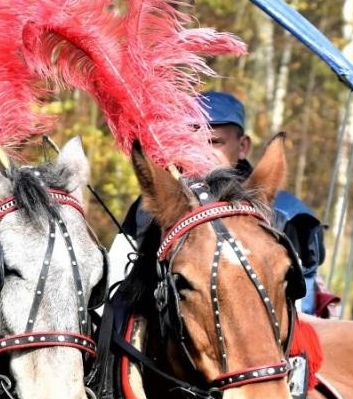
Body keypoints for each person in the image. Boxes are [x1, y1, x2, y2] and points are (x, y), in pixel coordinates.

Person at [112, 91, 332, 315]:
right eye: (189, 143)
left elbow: (300, 311)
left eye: (214, 141)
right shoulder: (147, 208)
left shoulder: (287, 214)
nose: (200, 152)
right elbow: (115, 285)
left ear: (243, 147)